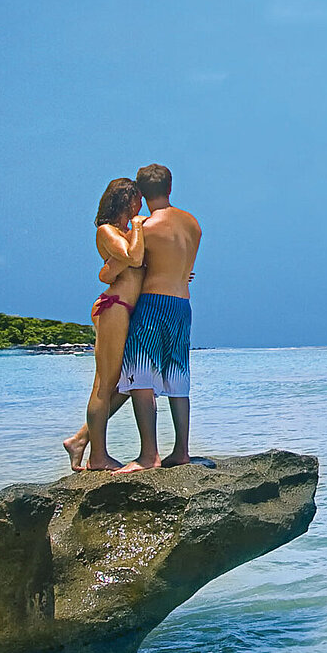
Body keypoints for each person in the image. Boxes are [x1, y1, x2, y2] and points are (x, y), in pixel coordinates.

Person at [114, 163, 203, 472]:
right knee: (178, 379)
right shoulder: (193, 224)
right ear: (170, 187)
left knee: (141, 376)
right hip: (182, 305)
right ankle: (182, 451)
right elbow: (183, 265)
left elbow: (130, 261)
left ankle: (148, 455)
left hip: (153, 302)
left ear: (140, 193)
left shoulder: (146, 227)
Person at [62, 178, 144, 471]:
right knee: (105, 383)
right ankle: (98, 457)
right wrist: (137, 226)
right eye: (138, 199)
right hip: (113, 309)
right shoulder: (107, 231)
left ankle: (80, 440)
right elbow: (132, 257)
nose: (142, 204)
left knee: (128, 382)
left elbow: (130, 265)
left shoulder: (127, 233)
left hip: (126, 310)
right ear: (126, 200)